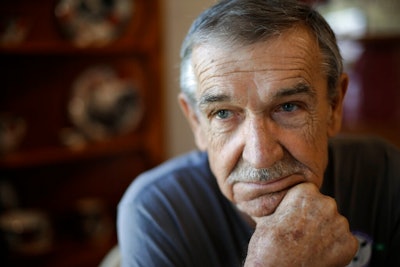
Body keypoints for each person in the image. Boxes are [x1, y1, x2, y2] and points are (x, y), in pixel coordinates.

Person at [117, 0, 400, 266]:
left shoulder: (384, 174)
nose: (260, 156)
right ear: (196, 123)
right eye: (223, 113)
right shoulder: (157, 211)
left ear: (334, 107)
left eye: (288, 107)